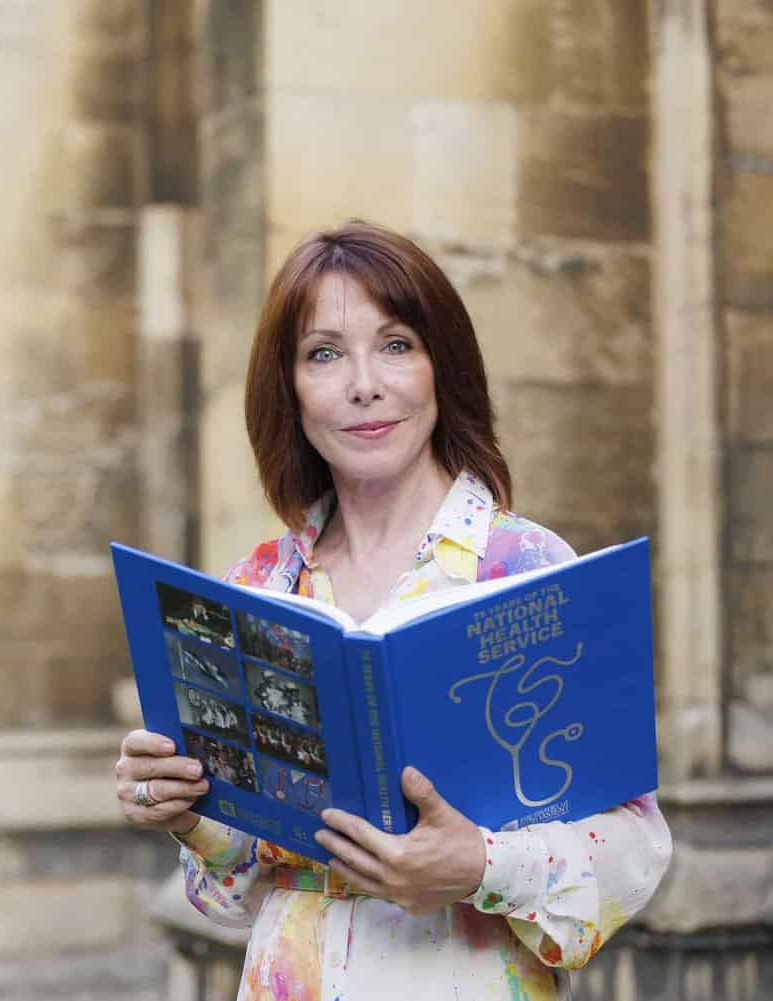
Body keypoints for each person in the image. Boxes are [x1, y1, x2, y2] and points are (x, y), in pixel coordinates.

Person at [115, 222, 672, 1000]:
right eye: (325, 353)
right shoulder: (259, 585)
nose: (364, 384)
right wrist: (189, 811)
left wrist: (479, 864)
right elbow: (232, 891)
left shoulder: (524, 568)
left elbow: (637, 847)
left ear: (443, 367)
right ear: (291, 388)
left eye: (397, 344)